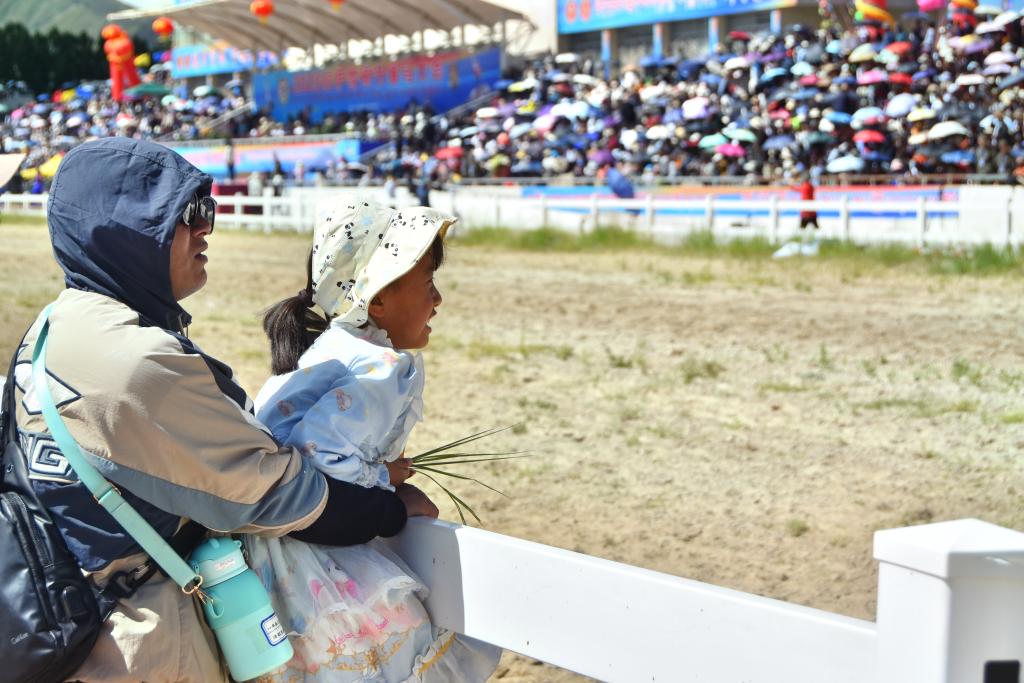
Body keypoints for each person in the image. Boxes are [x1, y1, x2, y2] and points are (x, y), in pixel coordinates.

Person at [7, 138, 437, 683]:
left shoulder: (55, 324)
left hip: (67, 621)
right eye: (187, 214)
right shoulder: (139, 360)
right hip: (138, 646)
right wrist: (388, 510)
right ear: (125, 232)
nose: (205, 228)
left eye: (206, 209)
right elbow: (276, 496)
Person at [246, 197, 501, 682]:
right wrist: (388, 480)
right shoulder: (380, 368)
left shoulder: (331, 347)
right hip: (312, 548)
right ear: (378, 299)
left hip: (275, 543)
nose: (438, 300)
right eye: (428, 283)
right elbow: (319, 458)